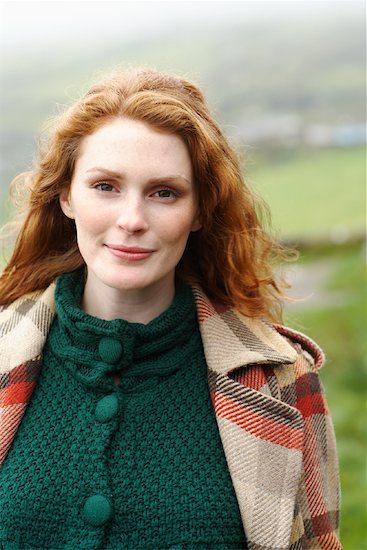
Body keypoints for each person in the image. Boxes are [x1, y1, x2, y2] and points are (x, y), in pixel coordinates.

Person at [0, 68, 341, 549]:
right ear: (66, 196)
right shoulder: (4, 354)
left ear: (200, 210)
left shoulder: (281, 379)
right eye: (105, 186)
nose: (132, 220)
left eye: (164, 192)